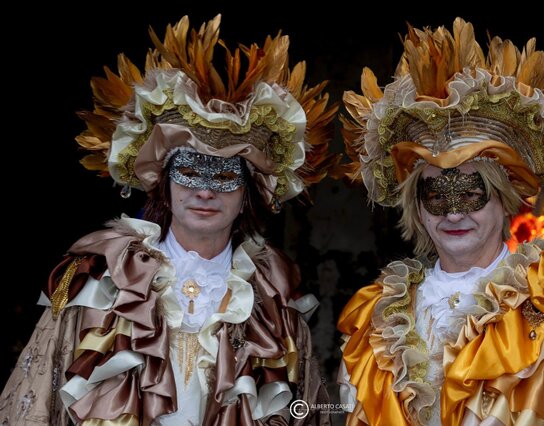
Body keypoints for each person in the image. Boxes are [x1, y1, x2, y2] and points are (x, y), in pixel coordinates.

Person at [0, 15, 338, 425]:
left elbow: (310, 408)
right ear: (164, 182)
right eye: (190, 171)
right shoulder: (102, 281)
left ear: (248, 193)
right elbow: (34, 400)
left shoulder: (273, 299)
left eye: (225, 176)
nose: (205, 191)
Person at [337, 18, 544, 425]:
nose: (454, 213)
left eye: (471, 193)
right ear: (417, 209)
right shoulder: (375, 318)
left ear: (504, 198)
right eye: (436, 196)